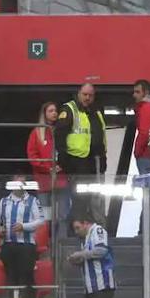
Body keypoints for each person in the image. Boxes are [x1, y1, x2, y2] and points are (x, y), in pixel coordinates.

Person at [0, 174, 48, 298]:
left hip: (26, 246)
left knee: (26, 277)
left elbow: (40, 220)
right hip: (8, 245)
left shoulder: (33, 201)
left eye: (22, 183)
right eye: (17, 183)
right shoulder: (4, 201)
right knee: (11, 278)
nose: (19, 186)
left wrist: (24, 226)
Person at [55, 83, 107, 222]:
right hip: (76, 160)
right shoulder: (70, 109)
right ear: (78, 94)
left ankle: (89, 226)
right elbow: (59, 135)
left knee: (94, 196)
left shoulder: (96, 111)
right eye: (85, 94)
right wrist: (63, 160)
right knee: (79, 197)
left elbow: (101, 136)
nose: (88, 98)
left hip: (94, 161)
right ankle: (77, 227)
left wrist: (103, 159)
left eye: (90, 95)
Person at [69, 213, 115, 298]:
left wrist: (80, 254)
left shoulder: (98, 230)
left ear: (85, 223)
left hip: (102, 285)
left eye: (78, 228)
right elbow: (90, 258)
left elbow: (102, 250)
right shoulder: (86, 238)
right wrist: (77, 261)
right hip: (90, 287)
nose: (76, 232)